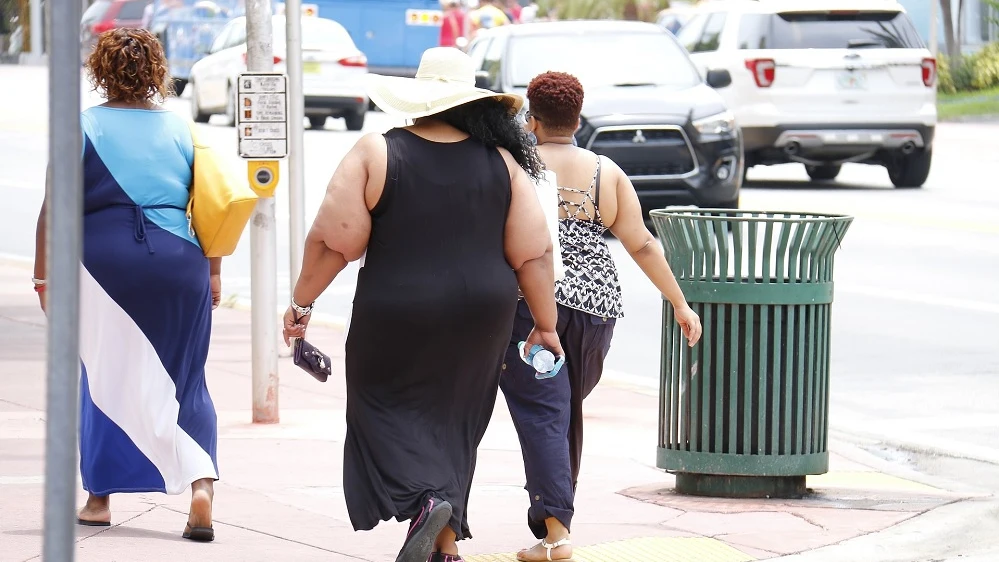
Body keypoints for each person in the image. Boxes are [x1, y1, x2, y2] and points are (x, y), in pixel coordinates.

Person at [281, 47, 563, 562]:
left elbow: (333, 242)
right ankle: (445, 543)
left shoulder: (378, 152)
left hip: (397, 308)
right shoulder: (503, 163)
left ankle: (427, 501)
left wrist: (302, 304)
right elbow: (535, 254)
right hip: (483, 314)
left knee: (379, 407)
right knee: (456, 420)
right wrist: (546, 325)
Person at [500, 71, 703, 562]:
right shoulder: (603, 172)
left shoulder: (512, 166)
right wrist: (679, 302)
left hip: (531, 305)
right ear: (578, 117)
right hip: (595, 312)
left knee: (545, 413)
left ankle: (555, 531)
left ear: (533, 118)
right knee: (564, 410)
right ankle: (555, 526)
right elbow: (641, 244)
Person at [32, 28, 220, 542]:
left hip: (103, 266)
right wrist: (214, 273)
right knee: (187, 377)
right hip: (180, 260)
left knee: (104, 375)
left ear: (101, 71)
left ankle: (98, 499)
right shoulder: (185, 130)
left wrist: (43, 276)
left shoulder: (82, 126)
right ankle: (201, 483)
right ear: (157, 71)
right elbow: (211, 208)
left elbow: (54, 208)